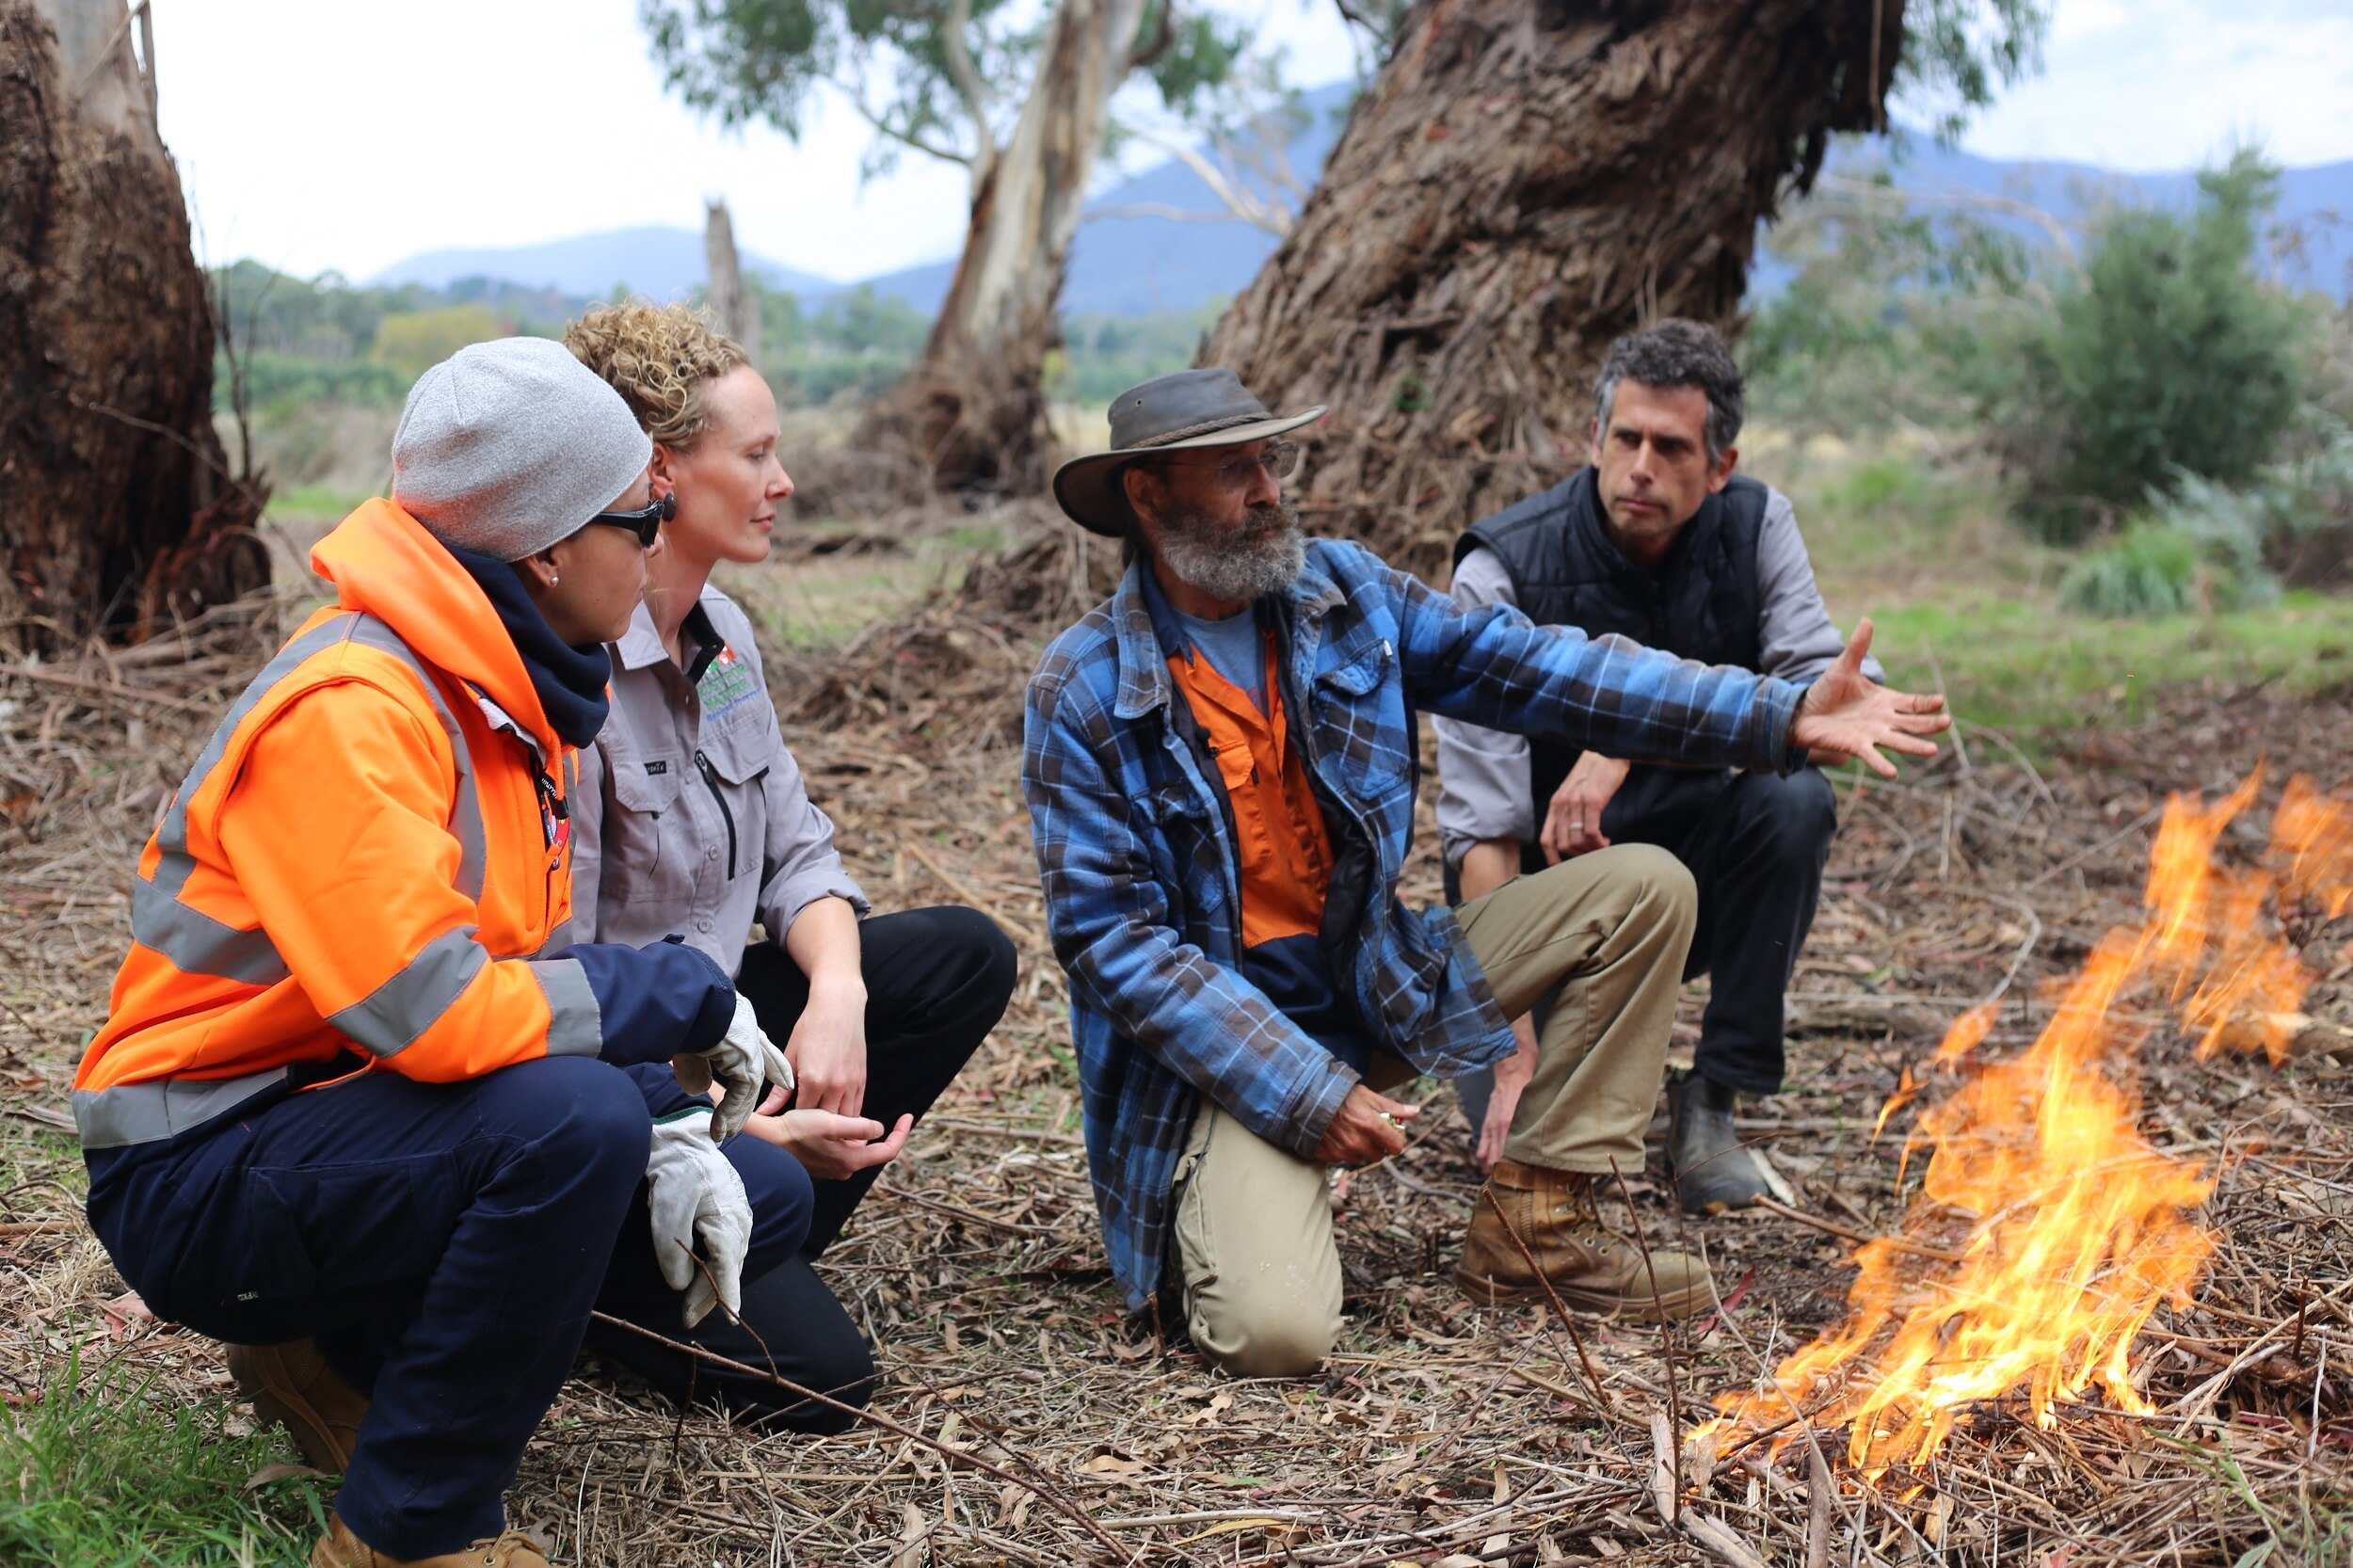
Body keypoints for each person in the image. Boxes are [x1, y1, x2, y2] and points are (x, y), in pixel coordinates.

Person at [1021, 368, 1947, 1378]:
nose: (1270, 490)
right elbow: (1113, 946)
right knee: (1276, 1335)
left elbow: (1545, 668)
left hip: (1371, 983)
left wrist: (1776, 713)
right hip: (1227, 1059)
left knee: (1640, 887)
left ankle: (1538, 1225)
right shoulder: (1086, 687)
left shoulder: (1344, 597)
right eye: (1234, 470)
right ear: (1148, 497)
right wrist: (1303, 1091)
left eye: (1269, 460)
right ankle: (1239, 1195)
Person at [73, 338, 797, 1568]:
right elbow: (432, 1010)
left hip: (335, 1119)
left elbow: (526, 979)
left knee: (759, 1189)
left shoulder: (503, 696)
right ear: (548, 549)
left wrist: (672, 1129)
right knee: (569, 1126)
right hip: (202, 1162)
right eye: (643, 514)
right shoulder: (357, 708)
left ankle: (330, 1354)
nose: (663, 533)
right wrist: (673, 992)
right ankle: (410, 1532)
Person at [561, 303, 1017, 1428]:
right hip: (611, 1086)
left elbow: (793, 841)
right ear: (660, 470)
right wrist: (745, 1125)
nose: (785, 480)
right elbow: (553, 1001)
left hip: (718, 1042)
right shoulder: (570, 682)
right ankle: (599, 1285)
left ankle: (765, 1217)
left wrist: (840, 998)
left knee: (960, 955)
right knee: (824, 1385)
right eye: (756, 454)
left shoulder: (721, 638)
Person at [1436, 320, 1873, 1213]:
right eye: (1625, 438)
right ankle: (1545, 1041)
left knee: (1794, 800)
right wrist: (1508, 1032)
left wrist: (1625, 743)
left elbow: (1812, 701)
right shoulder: (1503, 567)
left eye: (1671, 447)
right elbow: (1481, 827)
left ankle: (1713, 1097)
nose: (1641, 466)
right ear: (1593, 441)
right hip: (1557, 898)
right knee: (1523, 1146)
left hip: (1698, 873)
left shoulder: (1754, 526)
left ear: (1719, 466)